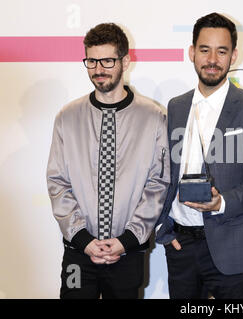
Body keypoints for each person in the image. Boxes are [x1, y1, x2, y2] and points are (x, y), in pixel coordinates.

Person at [155, 12, 243, 299]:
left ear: (234, 56)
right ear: (191, 53)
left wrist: (223, 202)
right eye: (205, 50)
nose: (212, 59)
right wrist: (165, 229)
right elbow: (167, 171)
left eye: (221, 51)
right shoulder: (176, 106)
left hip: (234, 246)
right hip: (182, 247)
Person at [46, 23, 170, 299]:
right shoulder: (67, 116)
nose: (98, 69)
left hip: (128, 254)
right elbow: (57, 182)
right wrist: (83, 240)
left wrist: (126, 241)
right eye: (91, 60)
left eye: (107, 60)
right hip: (78, 255)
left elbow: (158, 184)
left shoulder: (152, 117)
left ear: (125, 61)